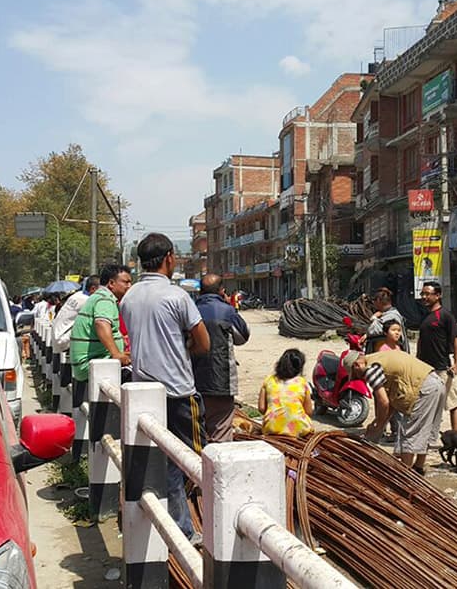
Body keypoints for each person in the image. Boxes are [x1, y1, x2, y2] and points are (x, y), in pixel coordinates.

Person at [120, 233, 210, 544]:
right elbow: (204, 342)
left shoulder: (128, 297)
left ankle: (177, 523)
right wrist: (185, 349)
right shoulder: (177, 296)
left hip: (143, 391)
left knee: (160, 460)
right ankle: (200, 524)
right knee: (198, 461)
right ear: (170, 257)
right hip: (178, 391)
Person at [343, 349, 443, 475]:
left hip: (424, 388)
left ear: (357, 365)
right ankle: (418, 467)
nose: (360, 378)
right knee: (424, 429)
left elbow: (383, 402)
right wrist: (377, 423)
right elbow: (390, 405)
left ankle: (405, 475)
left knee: (409, 433)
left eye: (356, 375)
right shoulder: (379, 357)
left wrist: (378, 425)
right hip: (436, 382)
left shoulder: (371, 370)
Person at [191, 273, 250, 443]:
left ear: (200, 291)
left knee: (198, 431)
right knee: (221, 431)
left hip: (194, 381)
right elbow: (243, 337)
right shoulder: (227, 311)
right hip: (221, 381)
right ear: (222, 290)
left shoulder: (191, 309)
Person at [70, 266, 132, 385]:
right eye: (126, 282)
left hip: (92, 363)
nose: (129, 286)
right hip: (91, 367)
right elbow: (101, 323)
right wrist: (116, 354)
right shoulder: (105, 299)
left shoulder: (98, 297)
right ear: (111, 283)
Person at [417, 281, 457, 437]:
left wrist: (456, 364)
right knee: (426, 403)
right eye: (422, 293)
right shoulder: (425, 316)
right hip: (425, 369)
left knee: (452, 403)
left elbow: (456, 339)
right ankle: (427, 435)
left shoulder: (445, 316)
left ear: (438, 295)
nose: (424, 297)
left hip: (442, 368)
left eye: (427, 294)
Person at [258, 348, 313, 438]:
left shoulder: (268, 381)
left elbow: (261, 408)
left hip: (271, 428)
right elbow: (309, 411)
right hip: (299, 428)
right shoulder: (302, 383)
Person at [52, 276, 100, 353]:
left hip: (57, 336)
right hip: (65, 340)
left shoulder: (77, 295)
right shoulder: (87, 301)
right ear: (93, 289)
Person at [366, 287, 409, 352]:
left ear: (378, 300)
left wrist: (374, 318)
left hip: (389, 354)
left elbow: (373, 331)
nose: (373, 303)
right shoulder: (386, 315)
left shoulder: (391, 316)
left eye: (374, 300)